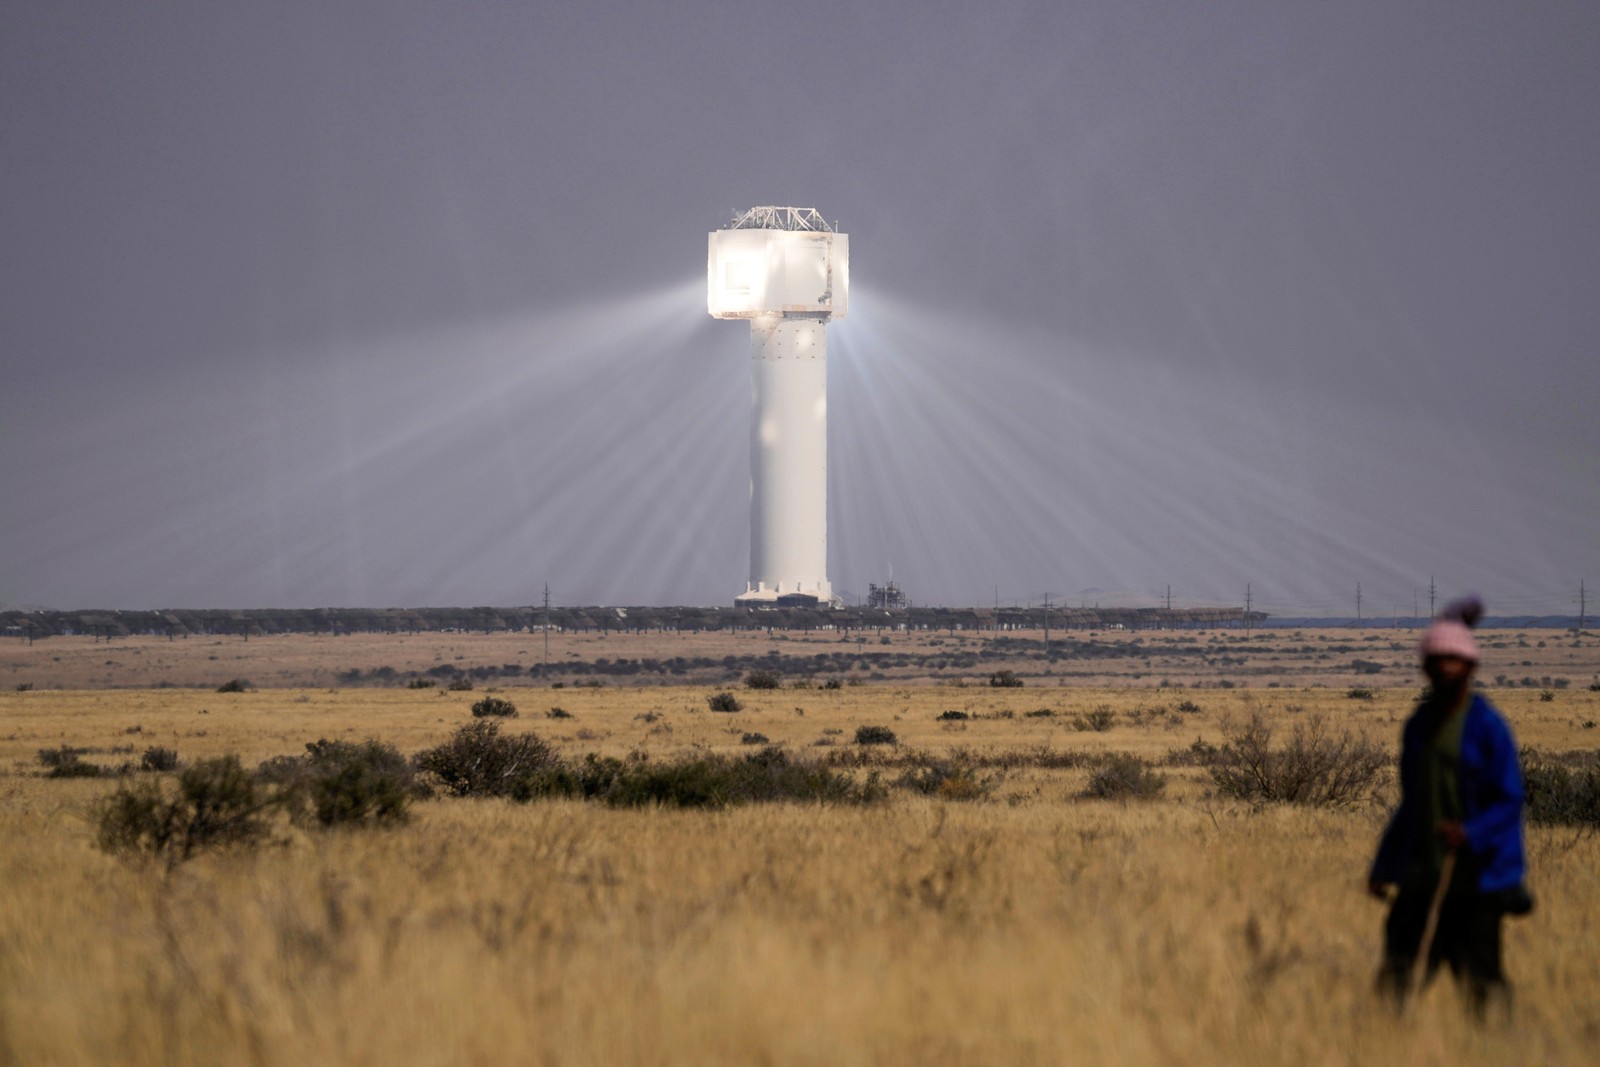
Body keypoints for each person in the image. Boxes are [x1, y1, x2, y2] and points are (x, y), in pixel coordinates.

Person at [1368, 601, 1529, 1017]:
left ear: (1470, 667)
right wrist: (1384, 866)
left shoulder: (1488, 727)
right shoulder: (1418, 726)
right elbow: (1412, 804)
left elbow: (1509, 799)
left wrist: (1471, 832)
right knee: (1397, 976)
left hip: (1475, 878)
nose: (1444, 668)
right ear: (1425, 667)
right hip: (1422, 873)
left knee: (1482, 984)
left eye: (1453, 660)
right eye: (1436, 661)